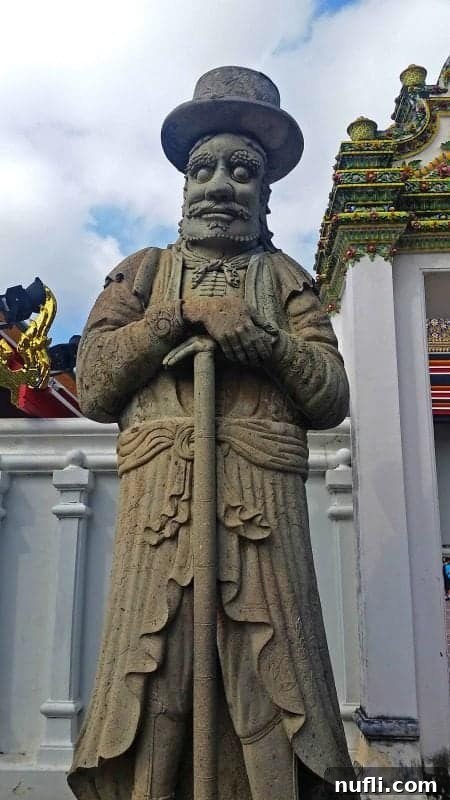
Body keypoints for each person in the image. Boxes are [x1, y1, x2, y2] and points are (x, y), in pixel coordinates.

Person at [68, 66, 353, 800]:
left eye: (242, 171)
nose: (221, 184)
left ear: (265, 196)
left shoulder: (285, 279)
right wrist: (177, 316)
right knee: (155, 677)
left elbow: (330, 395)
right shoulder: (143, 273)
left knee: (271, 680)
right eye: (204, 169)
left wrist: (263, 342)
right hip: (161, 504)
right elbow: (95, 383)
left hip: (259, 504)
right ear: (183, 186)